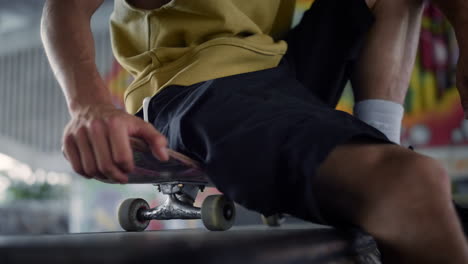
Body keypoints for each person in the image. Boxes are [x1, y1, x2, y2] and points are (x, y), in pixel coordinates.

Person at [41, 0, 468, 263]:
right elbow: (66, 7)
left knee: (403, 184)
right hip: (193, 85)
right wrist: (89, 104)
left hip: (281, 73)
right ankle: (384, 185)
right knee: (411, 184)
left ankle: (379, 142)